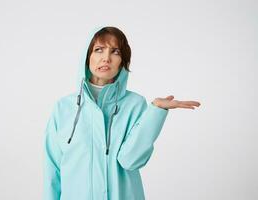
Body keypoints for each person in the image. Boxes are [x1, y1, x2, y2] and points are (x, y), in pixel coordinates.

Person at [43, 26, 201, 200]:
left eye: (115, 52)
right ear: (87, 57)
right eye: (99, 50)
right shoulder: (64, 107)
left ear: (123, 62)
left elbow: (131, 160)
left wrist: (156, 112)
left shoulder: (135, 104)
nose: (106, 58)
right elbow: (53, 170)